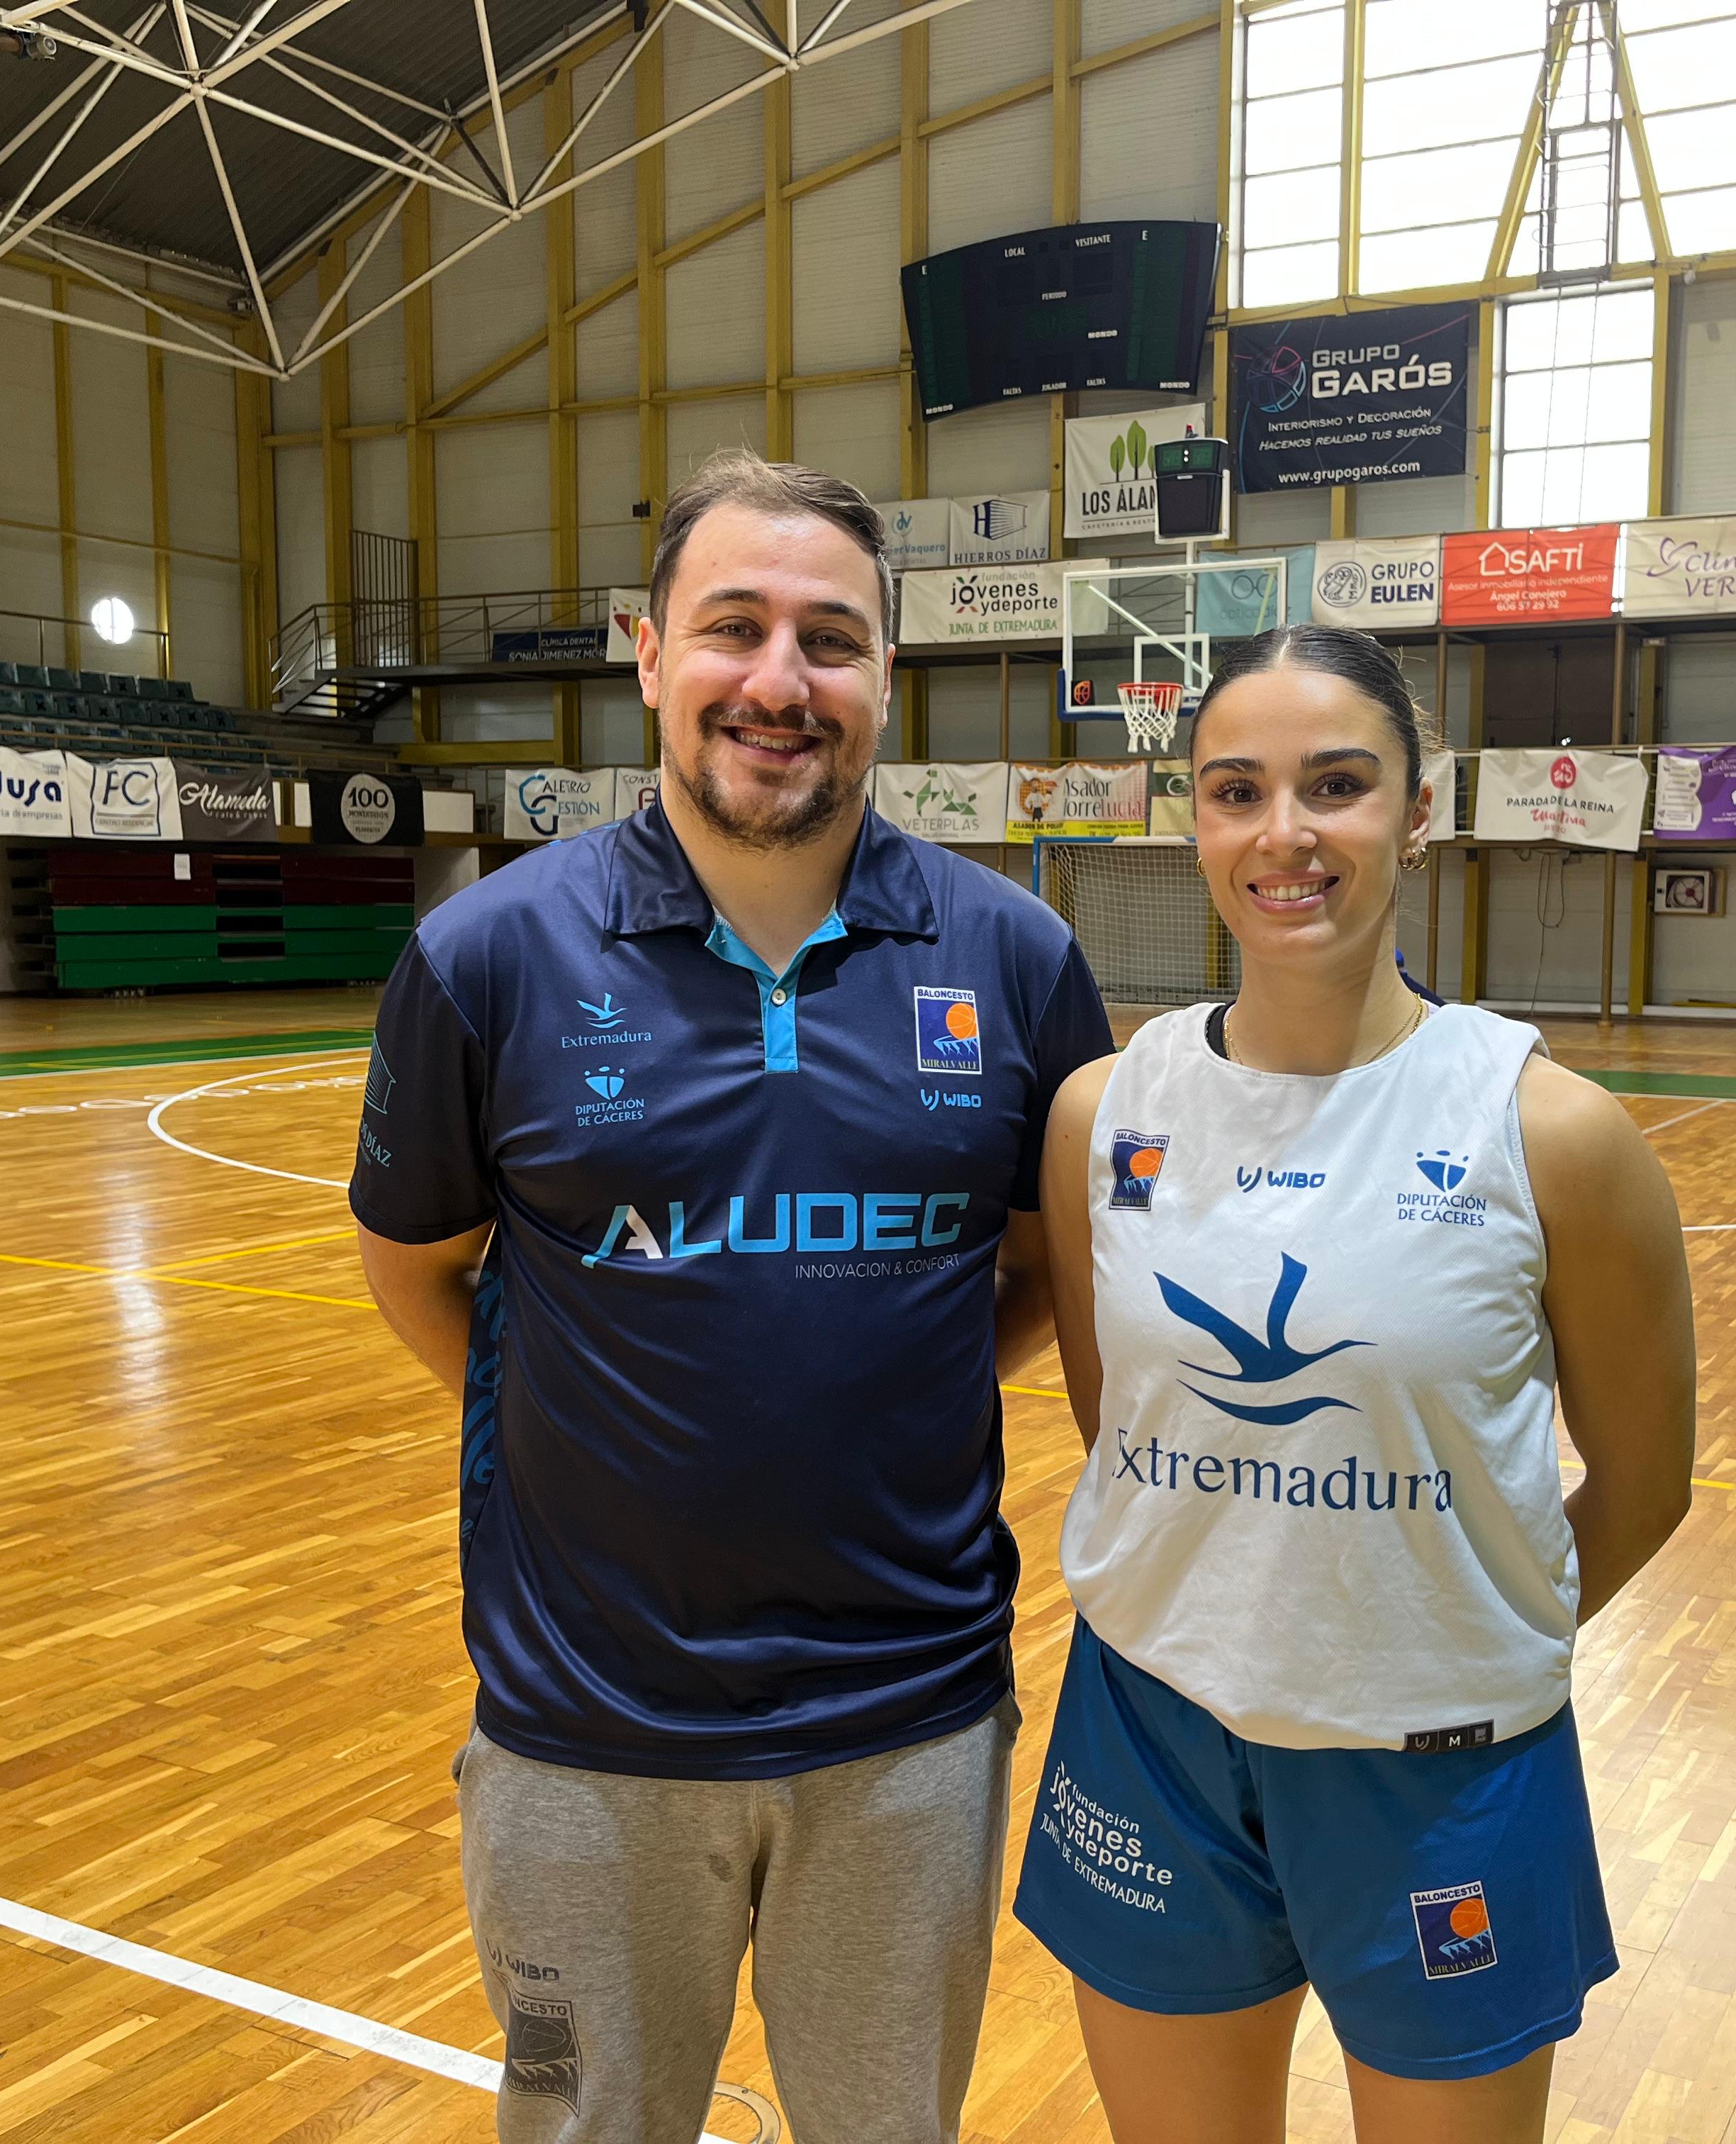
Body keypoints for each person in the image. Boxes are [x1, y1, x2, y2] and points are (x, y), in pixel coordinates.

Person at [351, 450, 1114, 2144]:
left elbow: (1043, 1264)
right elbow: (417, 1268)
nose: (781, 680)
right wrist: (585, 1408)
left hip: (909, 1727)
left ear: (885, 675)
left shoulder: (1015, 962)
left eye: (830, 639)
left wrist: (893, 1374)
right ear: (649, 654)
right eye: (733, 627)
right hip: (582, 1731)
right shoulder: (486, 958)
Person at [1014, 623, 1696, 2142]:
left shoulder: (1553, 1135)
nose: (1285, 834)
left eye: (1336, 785)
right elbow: (1116, 1425)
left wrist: (1433, 1632)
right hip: (1153, 1733)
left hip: (1444, 1769)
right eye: (1236, 791)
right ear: (1194, 818)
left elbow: (1649, 1487)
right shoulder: (1099, 1114)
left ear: (1419, 808)